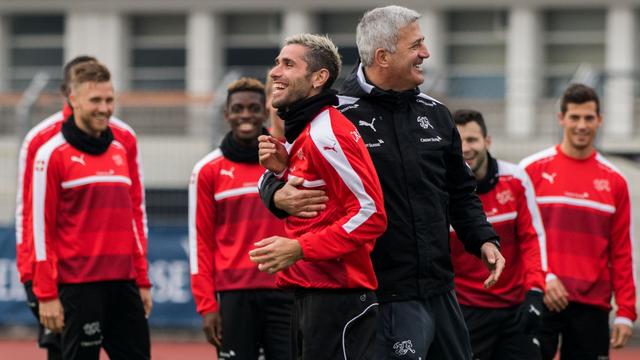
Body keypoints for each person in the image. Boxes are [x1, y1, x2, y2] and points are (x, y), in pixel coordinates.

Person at [258, 6, 505, 360]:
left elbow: (460, 191)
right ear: (383, 56)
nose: (426, 53)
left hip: (441, 290)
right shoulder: (332, 116)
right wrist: (277, 194)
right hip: (380, 295)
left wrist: (483, 239)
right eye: (416, 45)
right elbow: (285, 167)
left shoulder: (435, 113)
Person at [249, 33, 387, 359]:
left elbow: (372, 213)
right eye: (276, 63)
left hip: (338, 299)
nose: (274, 73)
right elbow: (326, 204)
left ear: (318, 78)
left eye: (288, 64)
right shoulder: (307, 131)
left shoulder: (327, 133)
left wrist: (300, 248)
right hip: (311, 294)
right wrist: (282, 173)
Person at [15, 55, 151, 360]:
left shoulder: (123, 139)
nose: (104, 107)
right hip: (71, 281)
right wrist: (36, 283)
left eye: (109, 99)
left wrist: (141, 277)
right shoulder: (42, 144)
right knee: (59, 352)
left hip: (121, 278)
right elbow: (31, 218)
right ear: (71, 96)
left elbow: (135, 210)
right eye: (96, 99)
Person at [520, 83, 636, 359]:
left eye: (588, 118)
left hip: (592, 306)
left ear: (599, 120)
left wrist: (626, 312)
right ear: (561, 119)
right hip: (540, 296)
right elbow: (517, 240)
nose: (581, 125)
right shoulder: (530, 171)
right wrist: (544, 277)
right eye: (574, 117)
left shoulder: (615, 180)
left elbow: (621, 251)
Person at [188, 77, 292, 359]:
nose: (246, 115)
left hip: (286, 289)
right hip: (234, 295)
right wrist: (207, 306)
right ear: (227, 114)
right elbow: (201, 242)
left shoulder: (287, 158)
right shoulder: (207, 170)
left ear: (265, 111)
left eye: (253, 108)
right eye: (238, 108)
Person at [451, 109, 547, 360]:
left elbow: (532, 239)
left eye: (472, 140)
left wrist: (535, 292)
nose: (465, 148)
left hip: (515, 310)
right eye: (458, 141)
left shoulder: (516, 178)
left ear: (487, 141)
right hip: (465, 312)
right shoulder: (440, 187)